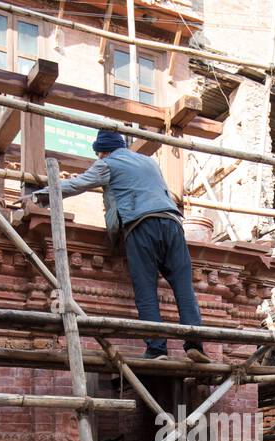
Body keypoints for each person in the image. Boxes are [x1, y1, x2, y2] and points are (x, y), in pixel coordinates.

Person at [31, 130, 208, 362]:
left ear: (102, 151)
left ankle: (157, 349)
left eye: (98, 154)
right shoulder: (149, 162)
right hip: (173, 224)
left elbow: (78, 184)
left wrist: (39, 196)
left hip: (141, 224)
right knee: (184, 288)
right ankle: (195, 344)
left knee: (146, 290)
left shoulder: (107, 164)